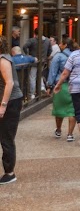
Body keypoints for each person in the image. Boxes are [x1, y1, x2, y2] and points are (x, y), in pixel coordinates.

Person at [0, 37, 23, 184]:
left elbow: (10, 83)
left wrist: (3, 105)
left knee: (6, 137)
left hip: (10, 102)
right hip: (9, 101)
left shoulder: (3, 60)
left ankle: (9, 172)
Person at [47, 37, 76, 142]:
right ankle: (70, 134)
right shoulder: (77, 55)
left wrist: (49, 86)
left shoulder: (58, 56)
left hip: (60, 85)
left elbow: (53, 71)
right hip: (74, 86)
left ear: (65, 45)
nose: (59, 45)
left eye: (61, 43)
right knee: (72, 111)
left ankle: (59, 129)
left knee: (59, 109)